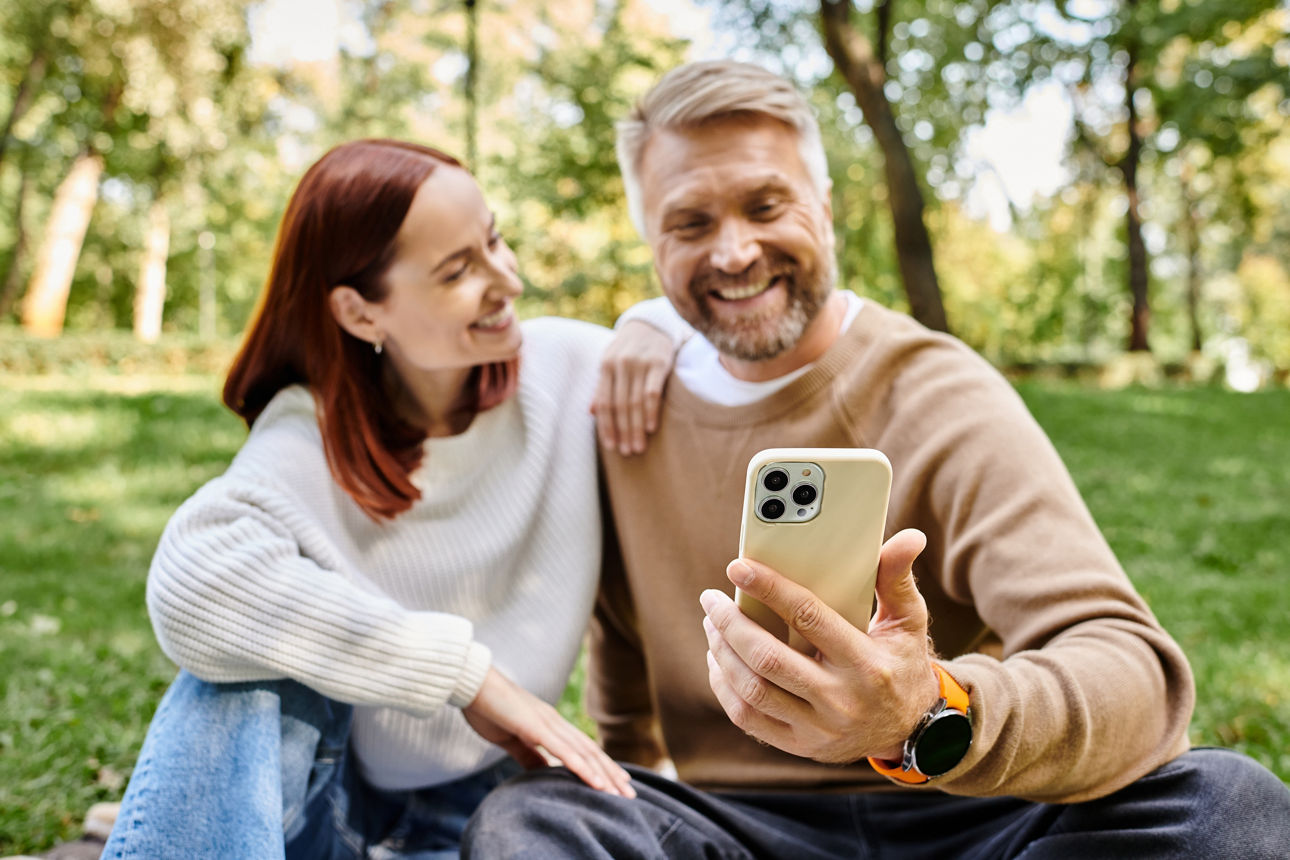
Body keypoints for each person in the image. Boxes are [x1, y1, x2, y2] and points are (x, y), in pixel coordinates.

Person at [462, 60, 1290, 858]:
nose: (735, 252)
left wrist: (928, 712)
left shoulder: (936, 392)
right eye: (690, 224)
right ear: (651, 241)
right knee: (531, 818)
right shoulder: (627, 407)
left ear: (825, 207)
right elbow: (622, 661)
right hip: (737, 825)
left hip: (967, 816)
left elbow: (1135, 675)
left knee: (1229, 808)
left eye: (766, 205)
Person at [100, 138, 684, 859]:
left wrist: (655, 323)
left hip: (485, 806)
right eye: (457, 271)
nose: (507, 279)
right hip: (324, 796)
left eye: (494, 239)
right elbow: (193, 585)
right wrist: (468, 678)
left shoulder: (571, 371)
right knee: (230, 684)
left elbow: (731, 349)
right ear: (361, 313)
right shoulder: (310, 431)